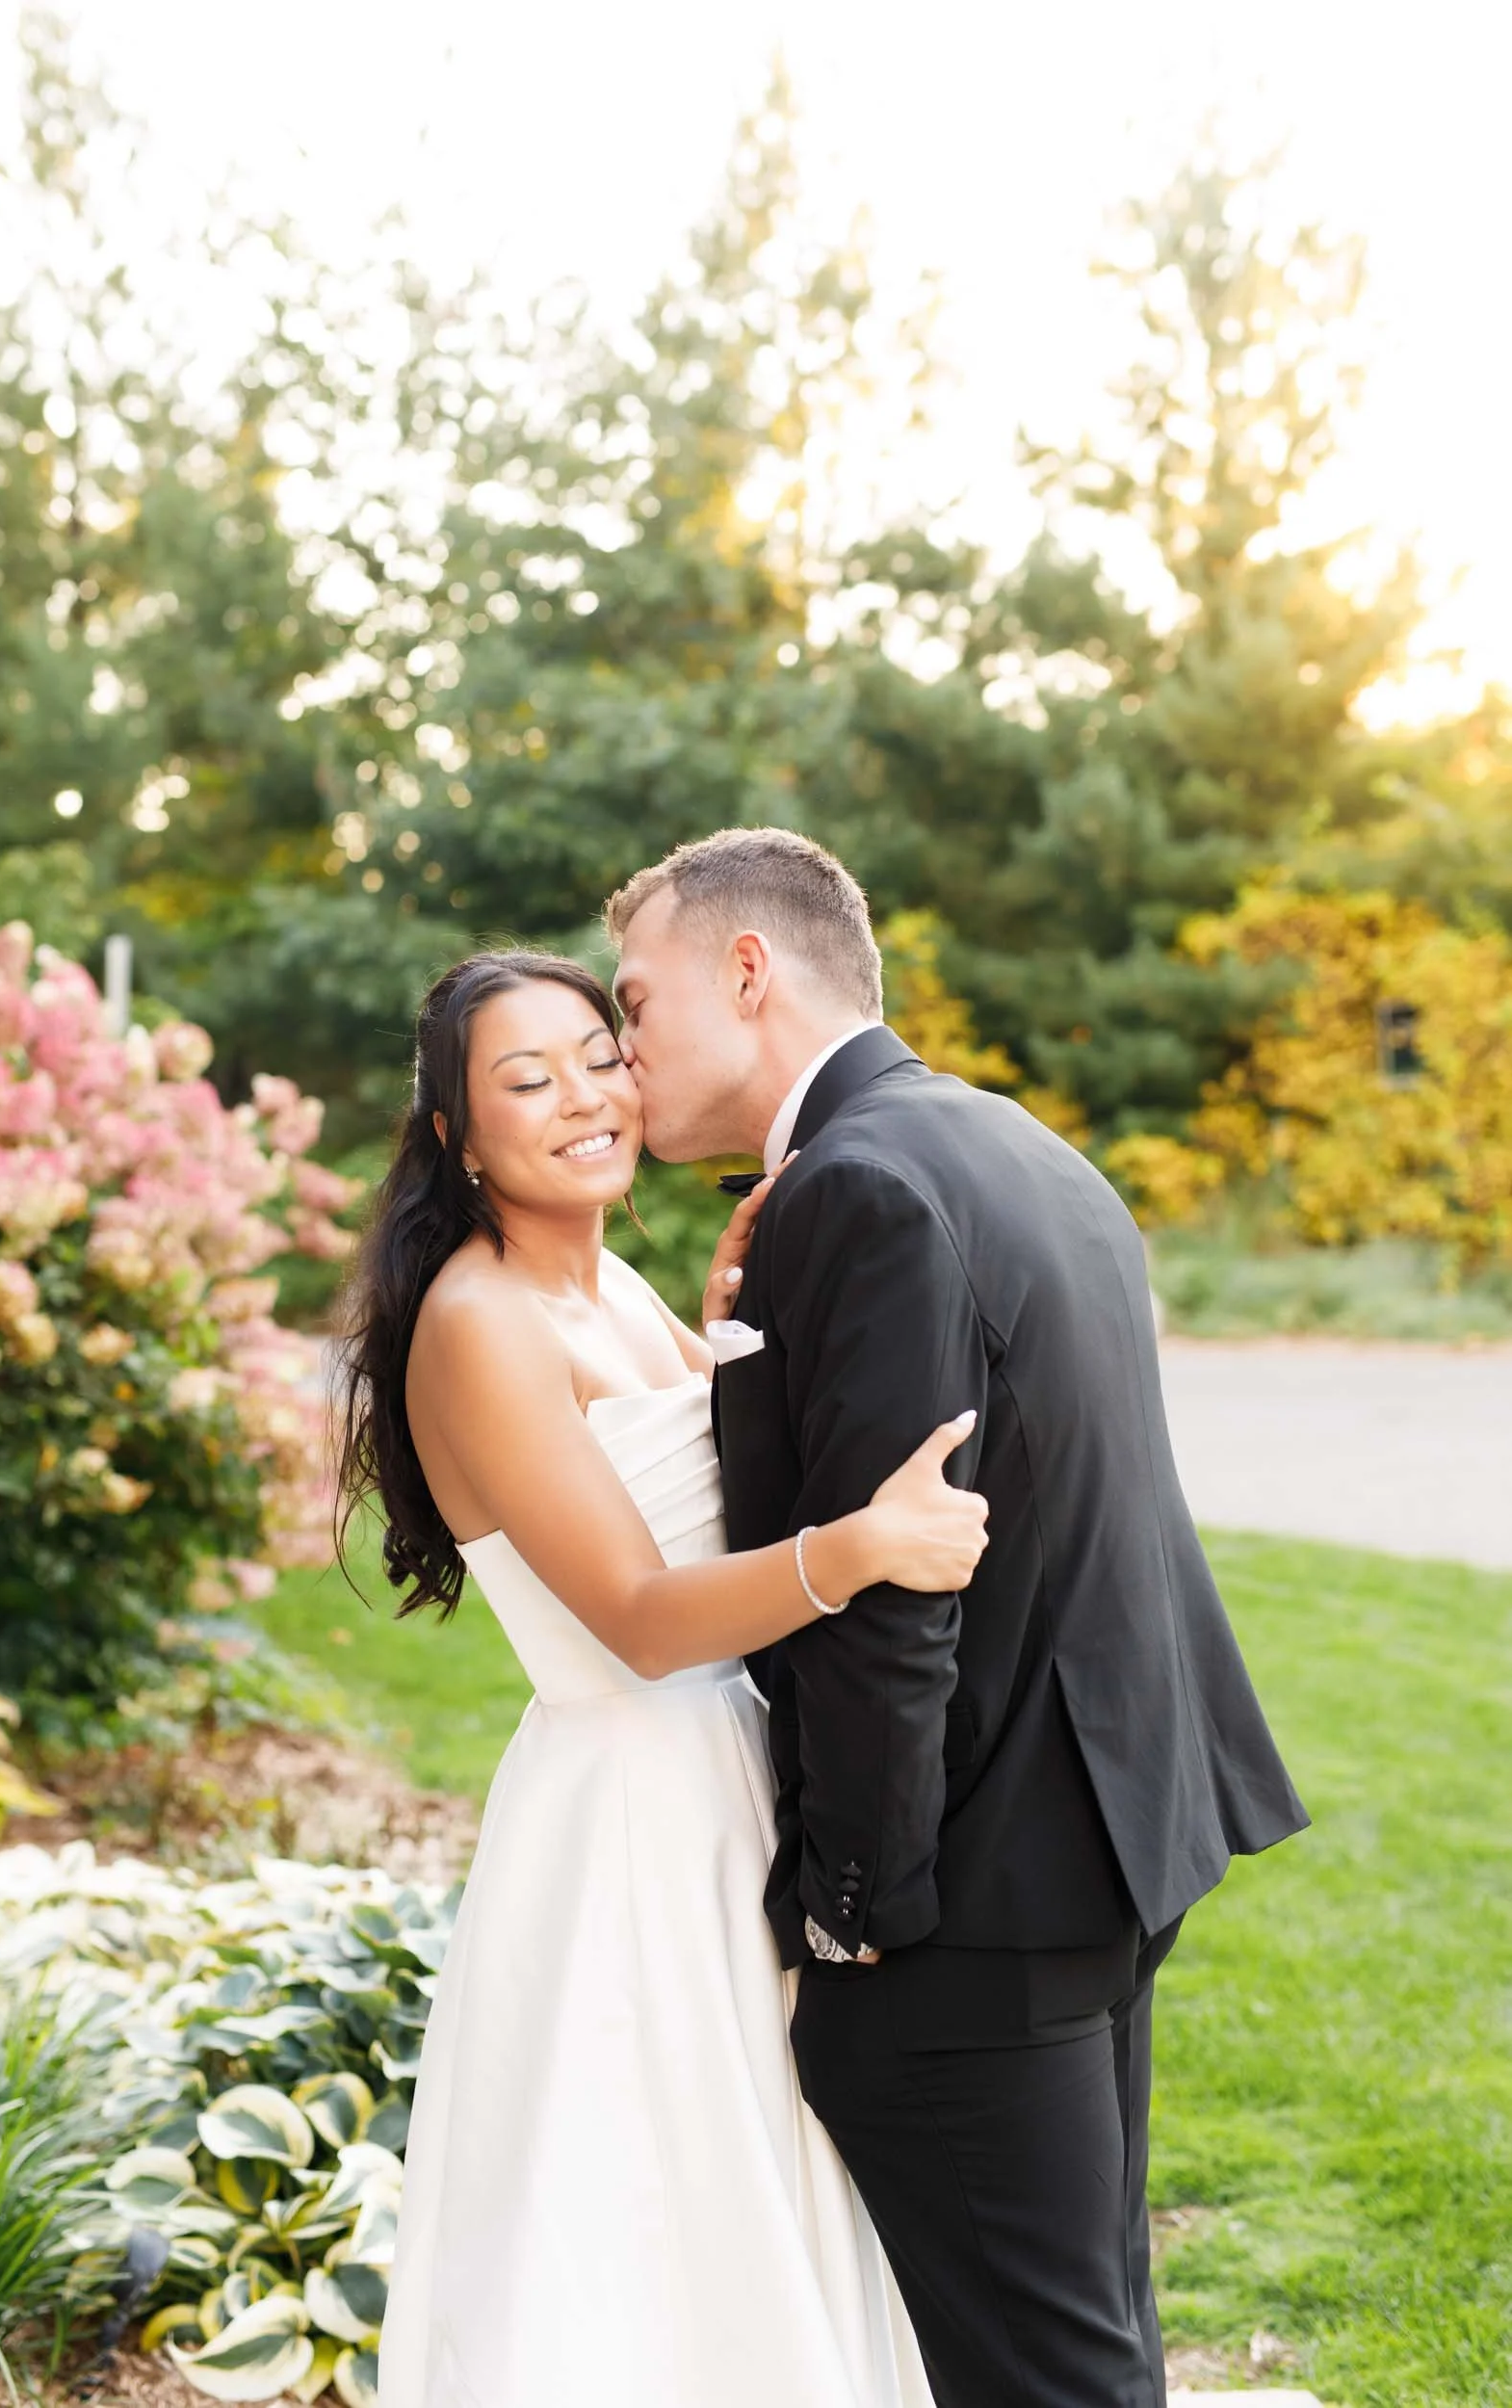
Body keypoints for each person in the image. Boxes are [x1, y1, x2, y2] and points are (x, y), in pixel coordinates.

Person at [607, 827, 1310, 2408]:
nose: (620, 1045)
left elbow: (891, 1603)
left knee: (1041, 2379)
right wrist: (741, 1346)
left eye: (635, 1001)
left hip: (970, 1904)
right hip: (1108, 1836)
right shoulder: (1003, 1142)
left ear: (746, 970)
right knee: (1088, 2337)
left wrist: (851, 1908)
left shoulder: (852, 1189)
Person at [345, 950, 984, 2408]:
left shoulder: (612, 1280)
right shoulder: (479, 1319)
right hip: (629, 1812)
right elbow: (636, 1615)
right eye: (525, 1081)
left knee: (758, 2173)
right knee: (648, 2196)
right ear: (456, 1136)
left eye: (596, 1054)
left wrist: (724, 1339)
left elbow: (706, 1465)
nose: (581, 1097)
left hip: (724, 1780)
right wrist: (862, 1549)